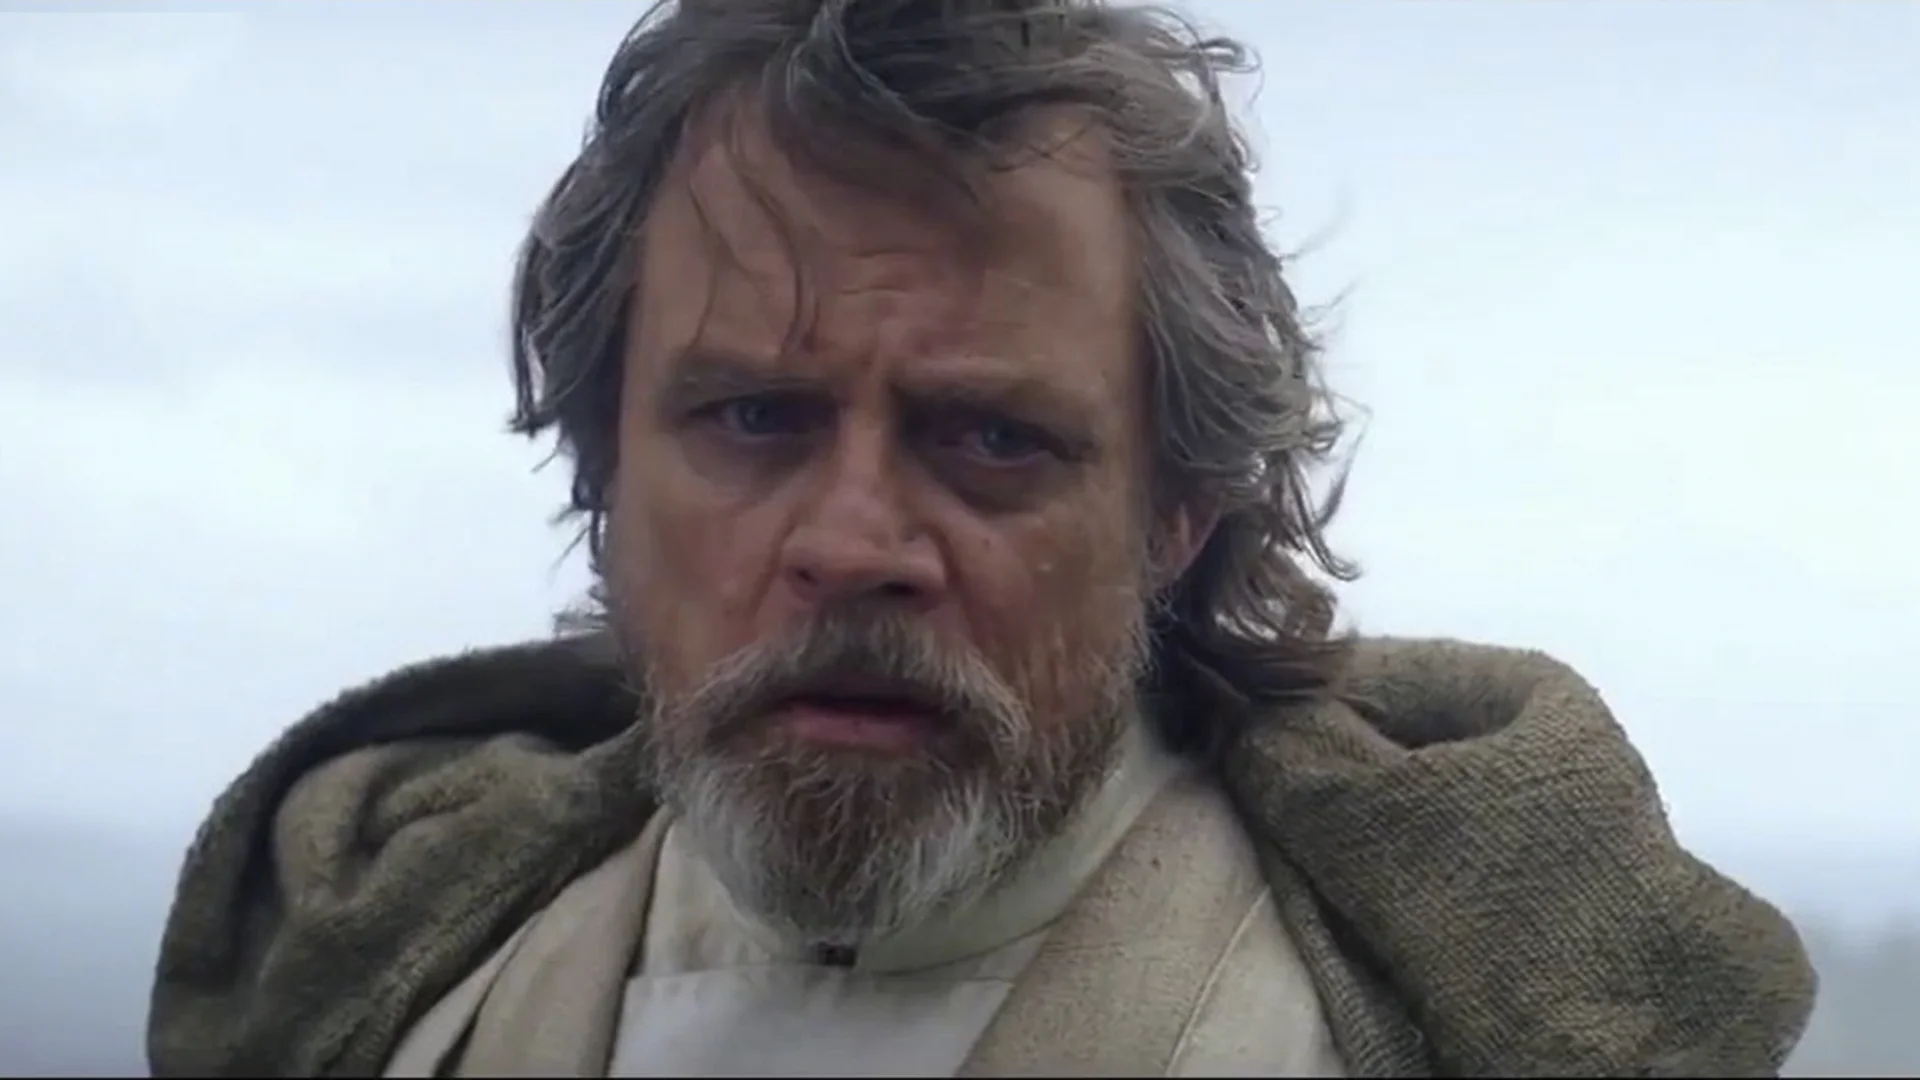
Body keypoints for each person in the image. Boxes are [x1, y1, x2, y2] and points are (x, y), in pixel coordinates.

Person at [146, 0, 1817, 1075]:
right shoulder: (411, 994)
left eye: (994, 438)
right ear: (603, 463)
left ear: (1178, 509)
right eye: (754, 418)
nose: (855, 542)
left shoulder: (1386, 1028)